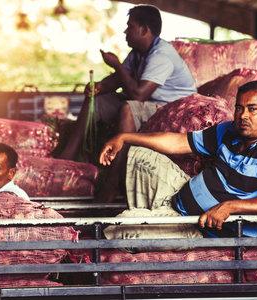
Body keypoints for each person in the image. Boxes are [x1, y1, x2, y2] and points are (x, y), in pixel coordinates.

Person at [100, 81, 257, 237]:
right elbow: (178, 142)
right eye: (239, 108)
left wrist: (230, 206)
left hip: (201, 229)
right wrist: (124, 137)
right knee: (139, 152)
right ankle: (154, 213)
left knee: (118, 231)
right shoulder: (229, 130)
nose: (243, 115)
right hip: (176, 200)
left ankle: (150, 218)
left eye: (252, 109)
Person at [58, 4, 196, 203]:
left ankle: (113, 183)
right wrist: (99, 87)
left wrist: (115, 64)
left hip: (170, 108)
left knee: (128, 109)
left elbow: (138, 94)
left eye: (130, 27)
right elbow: (119, 80)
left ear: (145, 30)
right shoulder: (138, 52)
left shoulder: (161, 55)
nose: (125, 31)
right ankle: (68, 156)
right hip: (148, 104)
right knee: (95, 100)